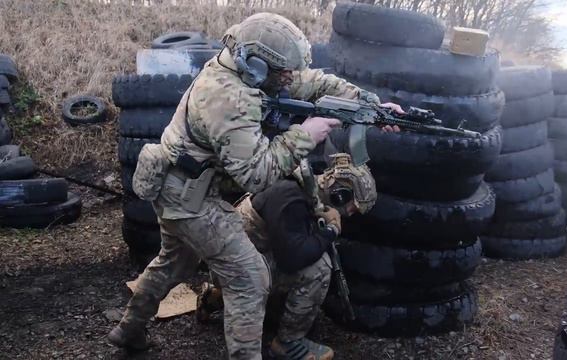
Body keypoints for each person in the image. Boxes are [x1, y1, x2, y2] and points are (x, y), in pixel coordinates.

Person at [107, 12, 402, 360]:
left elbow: (315, 82)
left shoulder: (249, 70)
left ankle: (127, 331)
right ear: (259, 66)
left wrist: (369, 105)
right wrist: (304, 136)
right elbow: (257, 176)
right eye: (284, 71)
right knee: (249, 279)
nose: (291, 77)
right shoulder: (228, 98)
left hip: (185, 185)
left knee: (173, 264)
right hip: (189, 198)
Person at [196, 153, 376, 360]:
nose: (349, 214)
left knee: (295, 310)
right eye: (352, 207)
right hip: (237, 270)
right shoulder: (291, 196)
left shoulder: (303, 191)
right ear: (340, 194)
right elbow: (292, 259)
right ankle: (287, 343)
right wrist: (331, 231)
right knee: (319, 268)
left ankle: (217, 297)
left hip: (238, 263)